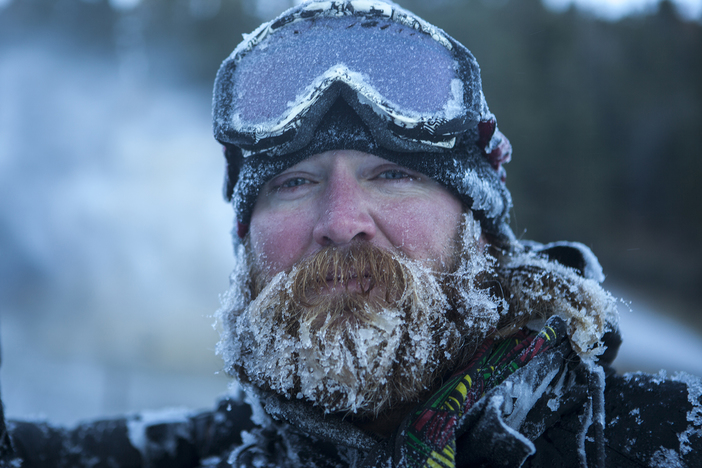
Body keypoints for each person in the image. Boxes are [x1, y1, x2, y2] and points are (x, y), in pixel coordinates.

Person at [2, 1, 701, 467]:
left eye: (393, 175)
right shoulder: (196, 452)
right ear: (246, 246)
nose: (340, 221)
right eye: (294, 184)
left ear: (482, 227)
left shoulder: (665, 438)